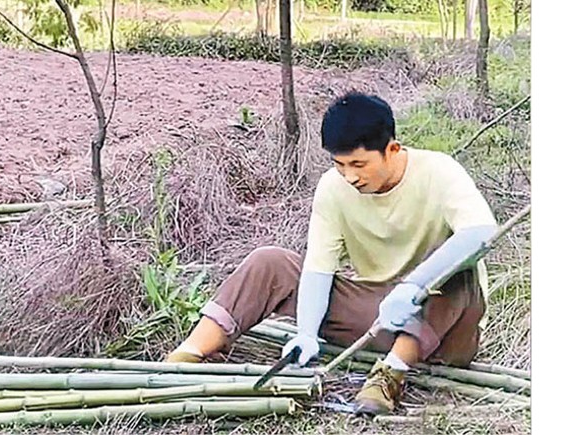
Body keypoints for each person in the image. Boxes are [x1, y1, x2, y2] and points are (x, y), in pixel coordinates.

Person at [165, 91, 498, 416]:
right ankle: (188, 355)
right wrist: (307, 333)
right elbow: (318, 268)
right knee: (271, 262)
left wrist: (414, 286)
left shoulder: (438, 171)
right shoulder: (333, 188)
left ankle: (389, 375)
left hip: (444, 332)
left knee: (458, 268)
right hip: (376, 319)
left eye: (359, 164)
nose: (350, 176)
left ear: (392, 149)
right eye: (340, 165)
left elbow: (481, 233)